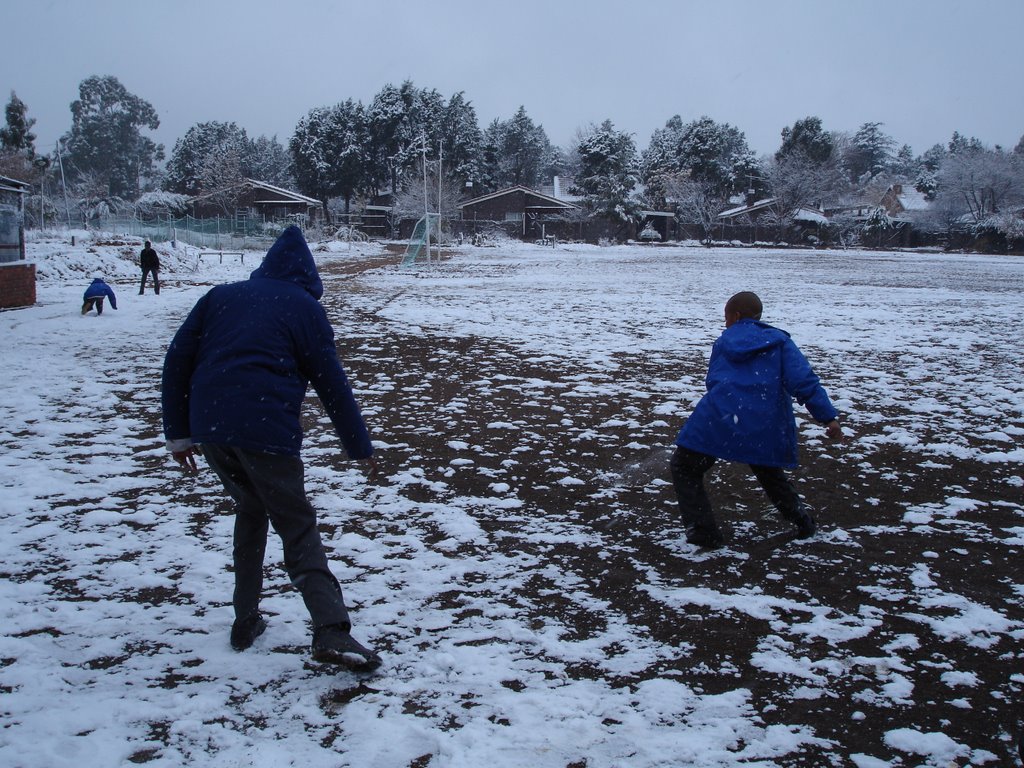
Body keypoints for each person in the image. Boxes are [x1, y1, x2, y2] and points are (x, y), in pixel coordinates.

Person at [161, 225, 381, 671]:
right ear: (307, 276)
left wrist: (179, 434)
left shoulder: (219, 296)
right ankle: (332, 631)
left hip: (211, 427)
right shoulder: (304, 307)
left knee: (250, 508)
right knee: (296, 524)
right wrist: (359, 446)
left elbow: (177, 360)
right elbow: (331, 382)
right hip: (263, 427)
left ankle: (245, 618)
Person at [670, 291, 844, 548]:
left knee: (685, 467)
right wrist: (828, 417)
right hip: (764, 420)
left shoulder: (724, 342)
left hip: (720, 415)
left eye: (726, 317)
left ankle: (703, 531)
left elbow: (713, 379)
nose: (725, 323)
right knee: (769, 471)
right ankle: (802, 521)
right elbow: (803, 381)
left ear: (736, 316)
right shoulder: (780, 343)